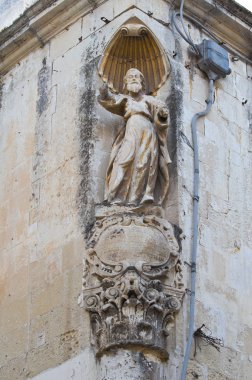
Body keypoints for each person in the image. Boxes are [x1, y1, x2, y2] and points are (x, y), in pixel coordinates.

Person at [98, 68, 171, 206]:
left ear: (142, 83)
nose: (133, 78)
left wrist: (162, 114)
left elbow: (162, 113)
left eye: (136, 77)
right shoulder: (124, 99)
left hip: (147, 134)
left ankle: (135, 200)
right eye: (130, 77)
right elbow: (110, 101)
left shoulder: (150, 100)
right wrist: (104, 92)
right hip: (131, 133)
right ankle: (115, 198)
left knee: (143, 164)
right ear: (125, 83)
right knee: (122, 162)